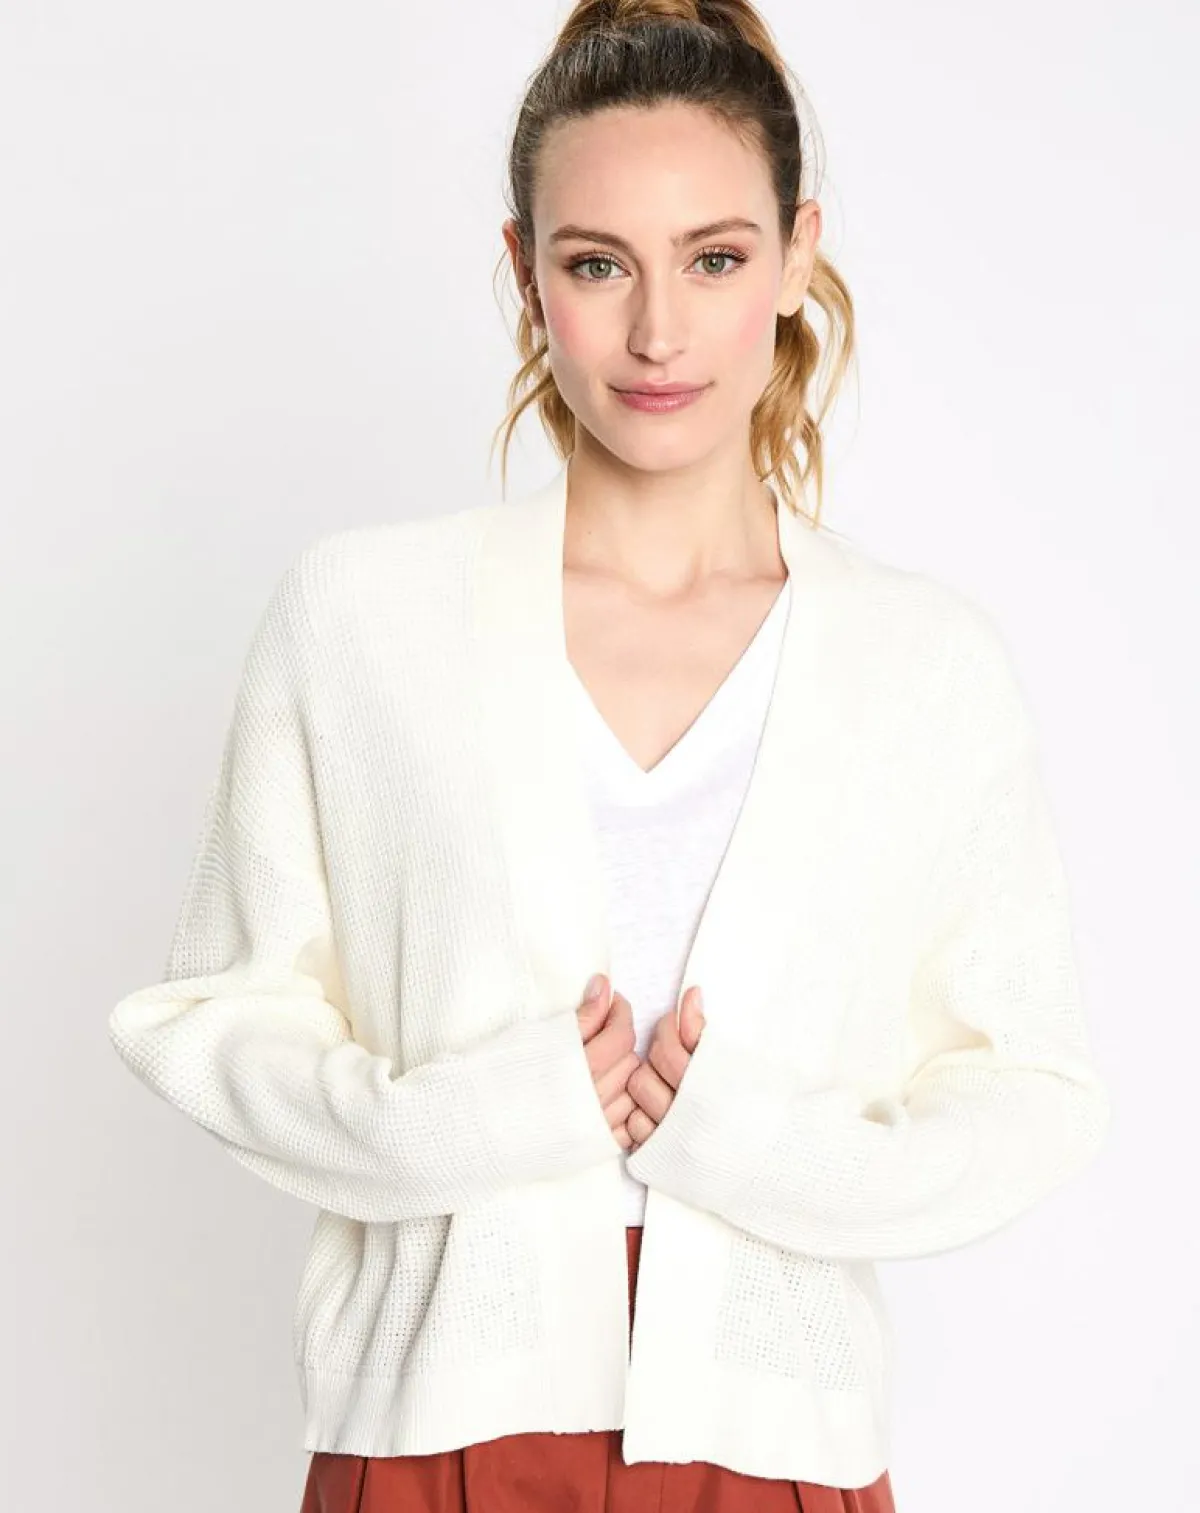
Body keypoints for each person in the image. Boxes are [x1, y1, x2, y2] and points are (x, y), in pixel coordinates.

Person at [108, 2, 1111, 1510]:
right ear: (525, 272)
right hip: (436, 1433)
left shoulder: (924, 665)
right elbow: (208, 1019)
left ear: (796, 256)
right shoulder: (363, 620)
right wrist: (472, 1117)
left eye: (714, 258)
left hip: (774, 1450)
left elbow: (1034, 1089)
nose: (657, 333)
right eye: (597, 264)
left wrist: (752, 1146)